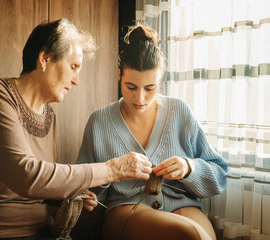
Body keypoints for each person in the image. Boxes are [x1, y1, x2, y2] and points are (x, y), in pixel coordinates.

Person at [0, 18, 153, 240]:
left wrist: (70, 194)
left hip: (34, 230)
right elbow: (26, 176)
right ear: (45, 58)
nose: (76, 80)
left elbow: (39, 186)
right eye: (73, 67)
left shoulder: (48, 115)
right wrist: (112, 169)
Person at [76, 23, 228, 240]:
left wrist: (188, 167)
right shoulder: (99, 121)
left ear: (161, 78)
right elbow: (81, 181)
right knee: (192, 235)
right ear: (119, 75)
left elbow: (219, 174)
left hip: (181, 205)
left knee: (204, 236)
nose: (140, 98)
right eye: (131, 87)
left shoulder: (179, 111)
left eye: (150, 88)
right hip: (126, 209)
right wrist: (87, 195)